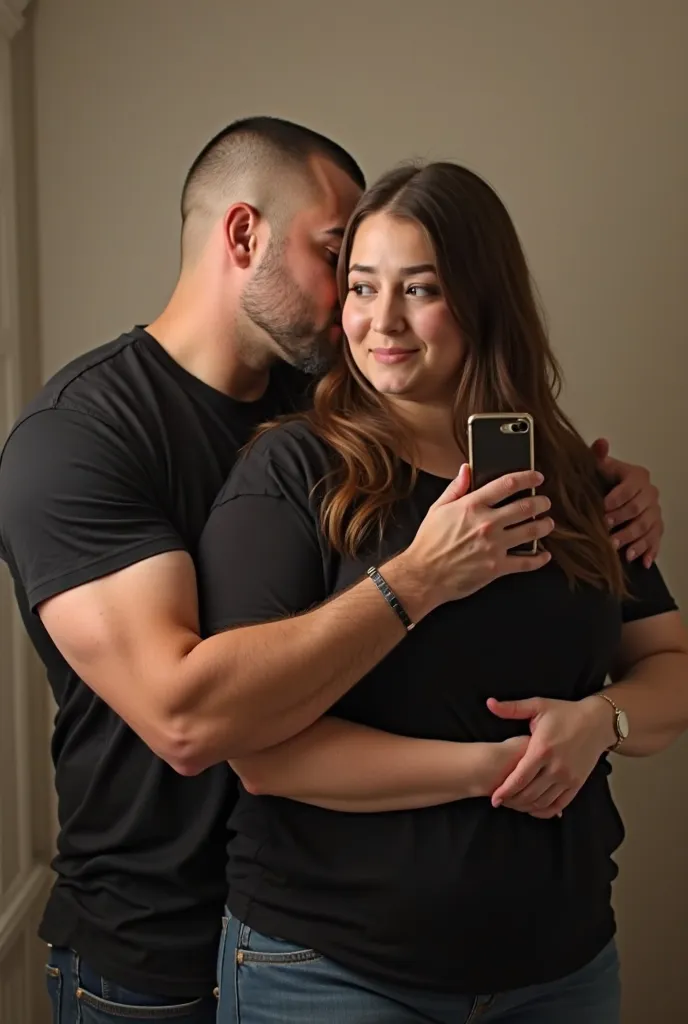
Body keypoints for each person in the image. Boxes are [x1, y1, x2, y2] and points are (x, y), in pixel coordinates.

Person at [0, 116, 663, 1023]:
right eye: (342, 264)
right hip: (162, 938)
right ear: (243, 235)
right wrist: (423, 584)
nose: (371, 313)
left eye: (409, 284)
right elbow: (190, 721)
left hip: (471, 936)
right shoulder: (83, 438)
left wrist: (605, 495)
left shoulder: (333, 395)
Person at [198, 161, 688, 1024]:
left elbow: (671, 664)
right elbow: (257, 747)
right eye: (361, 286)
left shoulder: (568, 473)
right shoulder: (292, 475)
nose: (380, 321)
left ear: (481, 298)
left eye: (418, 289)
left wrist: (599, 723)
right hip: (331, 970)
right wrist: (492, 769)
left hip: (560, 968)